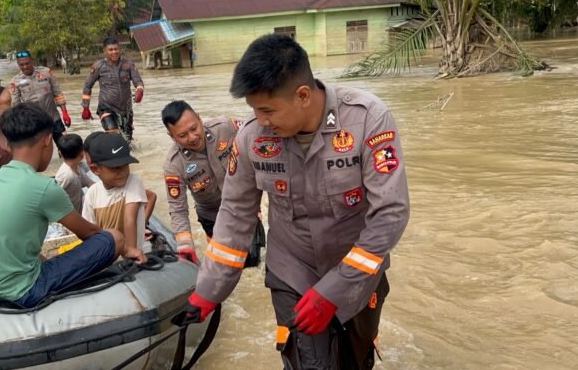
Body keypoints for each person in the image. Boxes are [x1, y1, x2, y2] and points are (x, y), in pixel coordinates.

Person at [172, 34, 409, 370]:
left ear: (302, 96)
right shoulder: (252, 137)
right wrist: (208, 291)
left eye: (268, 110)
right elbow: (236, 215)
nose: (261, 120)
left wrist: (335, 289)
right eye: (254, 110)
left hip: (358, 272)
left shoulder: (368, 120)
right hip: (292, 270)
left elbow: (390, 214)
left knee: (355, 361)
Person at [0, 103, 142, 308]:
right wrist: (127, 248)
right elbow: (91, 233)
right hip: (23, 293)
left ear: (7, 143)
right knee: (114, 237)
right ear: (47, 140)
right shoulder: (43, 187)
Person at [161, 100, 264, 266]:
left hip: (244, 206)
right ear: (171, 137)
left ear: (199, 119)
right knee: (224, 264)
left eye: (194, 129)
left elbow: (258, 132)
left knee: (252, 260)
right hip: (212, 216)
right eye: (182, 135)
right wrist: (185, 243)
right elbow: (178, 209)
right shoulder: (174, 165)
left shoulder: (226, 127)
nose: (192, 137)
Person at [82, 133, 153, 263]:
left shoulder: (133, 181)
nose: (123, 172)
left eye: (126, 165)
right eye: (115, 168)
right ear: (95, 169)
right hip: (106, 260)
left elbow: (129, 219)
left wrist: (131, 254)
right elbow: (90, 233)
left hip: (129, 259)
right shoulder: (92, 194)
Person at [81, 37, 144, 142]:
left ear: (119, 50)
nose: (114, 52)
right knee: (114, 136)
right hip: (106, 107)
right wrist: (85, 107)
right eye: (110, 50)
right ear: (104, 51)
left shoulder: (128, 64)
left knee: (127, 141)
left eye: (116, 49)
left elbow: (138, 81)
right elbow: (87, 86)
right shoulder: (98, 66)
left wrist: (140, 90)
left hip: (126, 109)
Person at [10, 50, 71, 147]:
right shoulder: (15, 81)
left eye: (27, 63)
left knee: (65, 146)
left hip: (54, 118)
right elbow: (16, 106)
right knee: (40, 150)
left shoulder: (46, 72)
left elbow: (57, 93)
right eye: (21, 65)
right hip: (34, 123)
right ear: (18, 64)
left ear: (32, 61)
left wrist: (65, 113)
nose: (25, 67)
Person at [56, 133, 94, 211]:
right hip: (69, 215)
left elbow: (90, 183)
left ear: (60, 153)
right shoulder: (66, 175)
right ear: (82, 155)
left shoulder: (77, 168)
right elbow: (54, 197)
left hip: (79, 210)